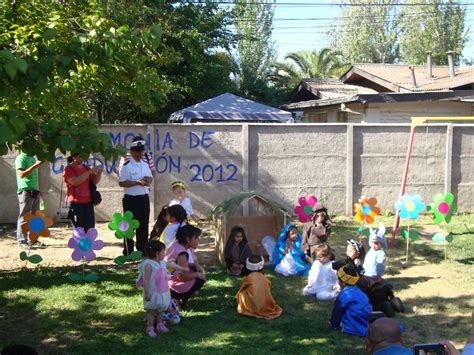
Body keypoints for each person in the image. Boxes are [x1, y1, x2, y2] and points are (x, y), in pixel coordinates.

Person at [136, 239, 187, 337]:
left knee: (161, 309)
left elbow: (172, 265)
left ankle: (160, 324)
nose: (165, 253)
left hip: (163, 291)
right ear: (157, 253)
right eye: (164, 251)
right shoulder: (149, 265)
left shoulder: (162, 262)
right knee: (152, 310)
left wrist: (183, 269)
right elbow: (146, 280)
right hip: (153, 292)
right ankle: (150, 327)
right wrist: (147, 293)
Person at [118, 137, 152, 255]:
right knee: (129, 225)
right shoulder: (127, 166)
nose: (139, 154)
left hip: (143, 198)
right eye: (136, 151)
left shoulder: (145, 164)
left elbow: (150, 177)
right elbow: (122, 182)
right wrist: (137, 182)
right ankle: (128, 250)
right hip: (131, 199)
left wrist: (148, 179)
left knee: (143, 224)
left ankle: (142, 249)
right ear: (131, 152)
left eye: (141, 151)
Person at [165, 224, 206, 309]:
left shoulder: (176, 244)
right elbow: (182, 277)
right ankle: (177, 298)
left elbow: (177, 266)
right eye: (196, 238)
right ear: (188, 239)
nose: (198, 240)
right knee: (200, 279)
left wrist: (194, 265)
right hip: (171, 284)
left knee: (195, 269)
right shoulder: (182, 253)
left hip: (166, 280)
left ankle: (177, 299)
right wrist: (198, 275)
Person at [63, 153, 102, 231]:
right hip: (75, 203)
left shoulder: (86, 168)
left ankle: (89, 243)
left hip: (88, 202)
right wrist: (89, 172)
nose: (82, 158)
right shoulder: (68, 169)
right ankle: (79, 243)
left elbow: (93, 182)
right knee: (79, 229)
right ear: (74, 157)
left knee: (90, 228)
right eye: (80, 156)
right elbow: (75, 182)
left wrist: (99, 173)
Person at [236, 255, 282, 320]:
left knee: (242, 293)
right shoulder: (264, 278)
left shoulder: (248, 278)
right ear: (262, 266)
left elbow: (241, 289)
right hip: (264, 304)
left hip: (251, 306)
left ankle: (248, 306)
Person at [331, 265, 373, 337]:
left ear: (343, 282)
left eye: (339, 279)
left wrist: (334, 326)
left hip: (355, 320)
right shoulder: (359, 291)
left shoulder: (344, 294)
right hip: (367, 317)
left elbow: (337, 311)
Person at [15, 153, 44, 248]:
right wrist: (36, 165)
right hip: (25, 190)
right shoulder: (21, 158)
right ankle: (22, 240)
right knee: (24, 215)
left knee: (36, 216)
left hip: (35, 190)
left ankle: (34, 239)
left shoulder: (32, 157)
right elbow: (21, 174)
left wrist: (39, 189)